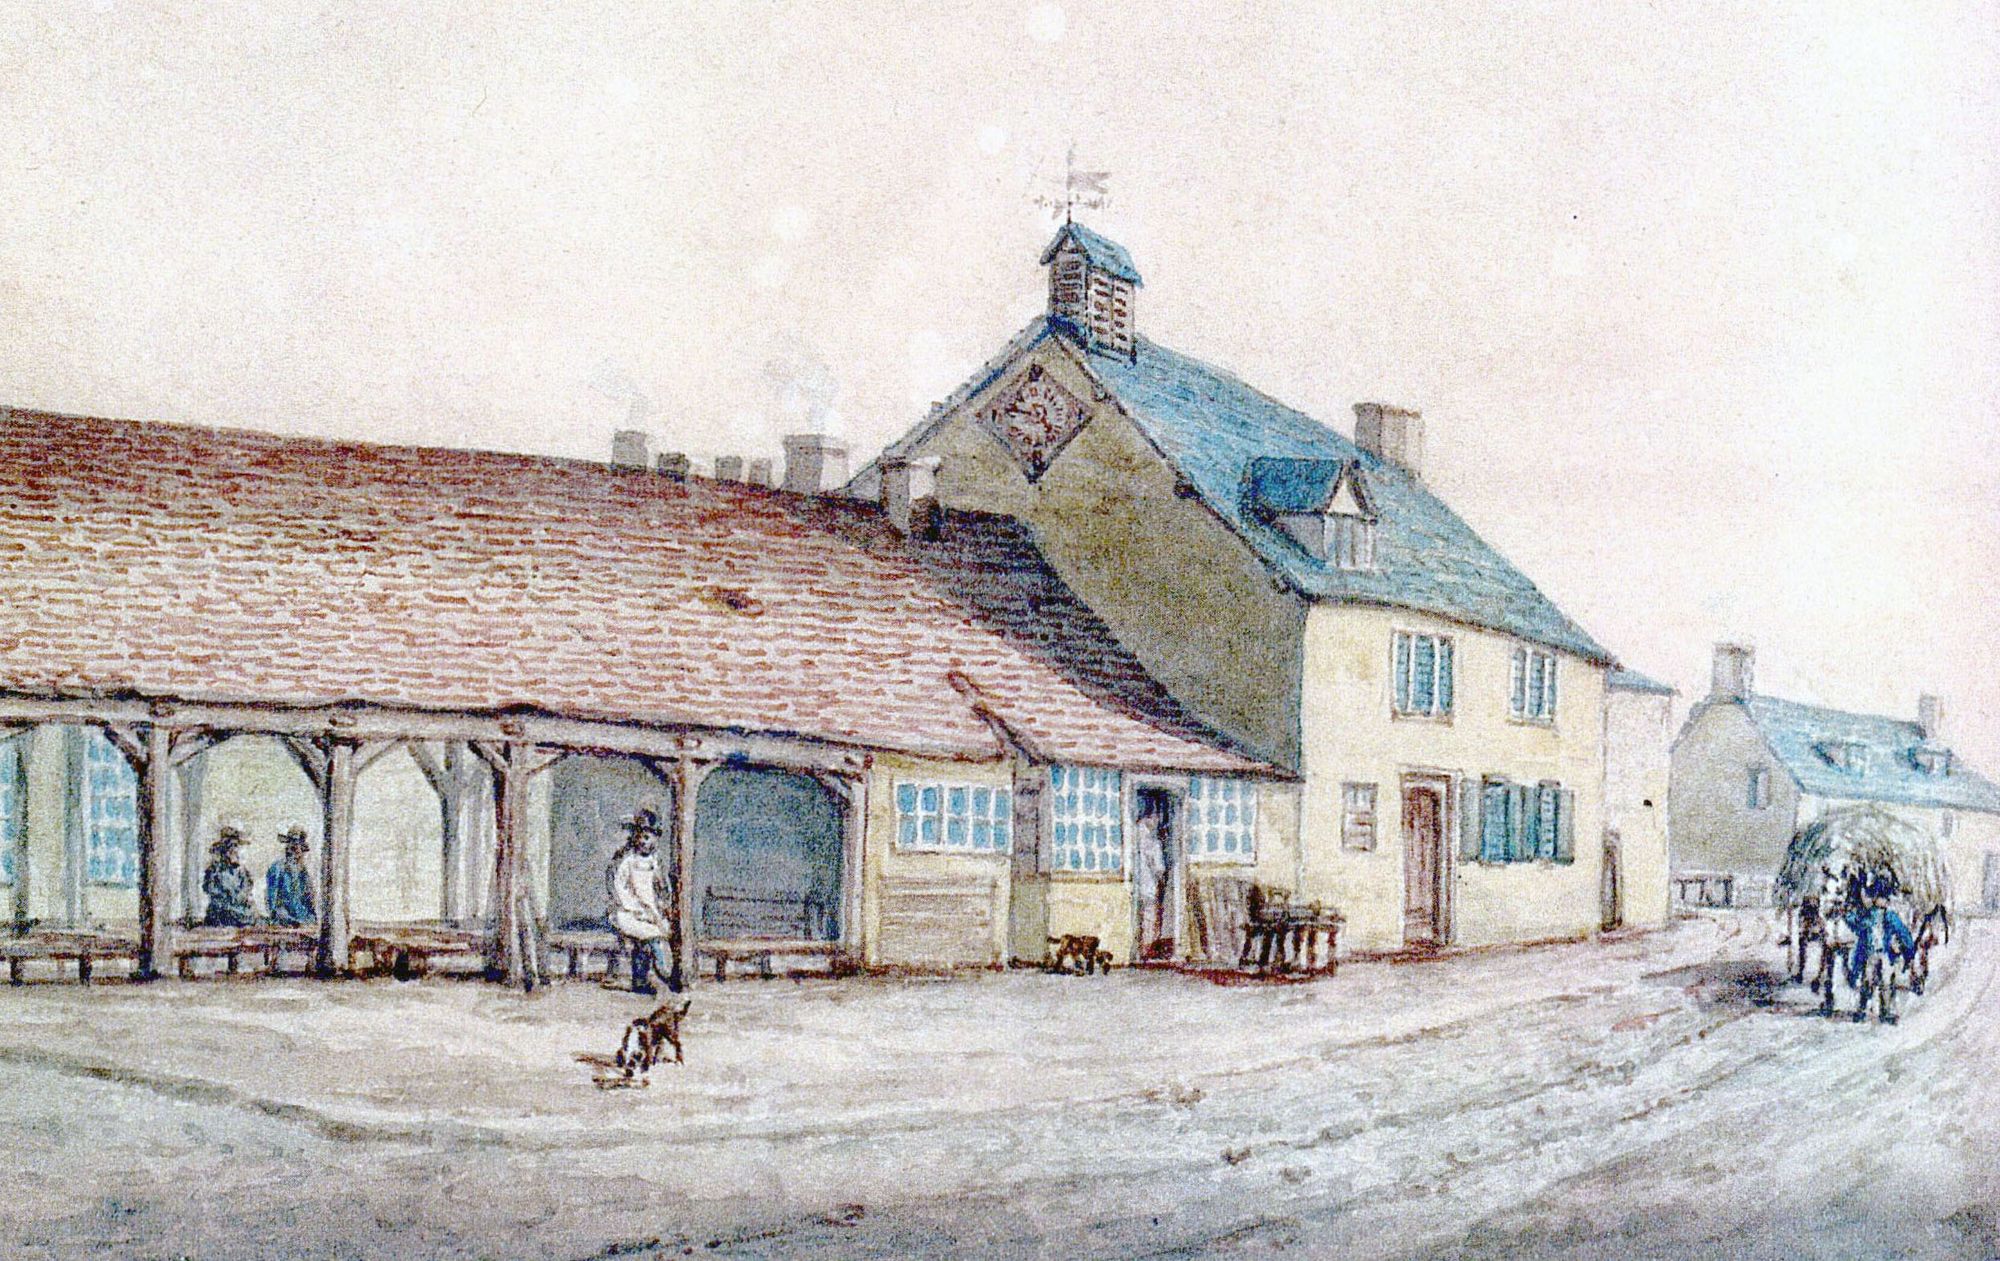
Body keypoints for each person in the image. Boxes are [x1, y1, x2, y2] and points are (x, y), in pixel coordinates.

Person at [606, 809, 675, 994]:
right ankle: (665, 973)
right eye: (641, 837)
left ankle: (641, 979)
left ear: (655, 839)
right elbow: (618, 886)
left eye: (648, 837)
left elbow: (661, 888)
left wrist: (661, 906)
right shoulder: (628, 862)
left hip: (650, 912)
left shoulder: (654, 862)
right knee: (652, 936)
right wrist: (634, 908)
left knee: (655, 935)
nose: (644, 841)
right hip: (628, 912)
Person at [201, 827, 256, 928]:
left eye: (237, 846)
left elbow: (247, 894)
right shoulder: (214, 872)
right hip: (221, 919)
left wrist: (246, 901)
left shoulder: (242, 872)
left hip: (242, 917)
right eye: (232, 846)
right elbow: (216, 899)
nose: (235, 850)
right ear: (224, 850)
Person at [265, 827, 317, 927]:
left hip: (305, 920)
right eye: (293, 845)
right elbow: (273, 905)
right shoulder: (277, 868)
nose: (297, 850)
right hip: (285, 922)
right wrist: (290, 921)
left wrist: (311, 921)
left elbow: (309, 904)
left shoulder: (303, 873)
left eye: (300, 847)